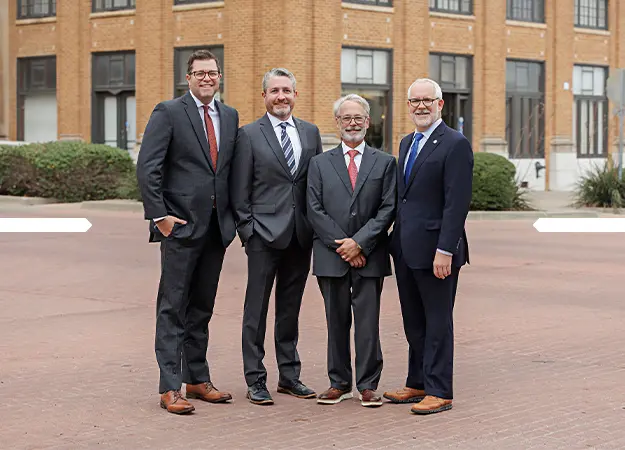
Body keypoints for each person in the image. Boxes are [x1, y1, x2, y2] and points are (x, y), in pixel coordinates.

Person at [136, 49, 239, 415]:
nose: (207, 78)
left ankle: (197, 378)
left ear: (219, 76)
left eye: (212, 73)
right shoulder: (169, 112)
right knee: (173, 307)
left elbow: (226, 171)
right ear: (189, 77)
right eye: (200, 73)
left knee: (202, 309)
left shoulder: (229, 115)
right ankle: (169, 386)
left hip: (215, 229)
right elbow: (148, 167)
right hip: (179, 227)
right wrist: (159, 216)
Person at [230, 68, 323, 405]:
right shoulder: (249, 135)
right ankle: (255, 379)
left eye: (287, 90)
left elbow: (314, 184)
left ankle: (289, 375)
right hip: (263, 236)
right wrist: (248, 231)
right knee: (255, 309)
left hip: (300, 235)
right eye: (274, 91)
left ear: (295, 95)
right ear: (264, 96)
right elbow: (239, 190)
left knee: (289, 309)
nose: (281, 96)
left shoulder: (311, 133)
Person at [384, 78, 473, 415]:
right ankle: (417, 382)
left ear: (441, 104)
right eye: (414, 100)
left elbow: (457, 203)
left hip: (438, 252)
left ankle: (440, 390)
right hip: (406, 249)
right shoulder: (407, 143)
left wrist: (445, 250)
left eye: (427, 100)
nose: (420, 106)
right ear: (408, 106)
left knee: (437, 322)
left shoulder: (455, 143)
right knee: (414, 321)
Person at [307, 94, 396, 407]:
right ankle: (339, 382)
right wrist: (344, 246)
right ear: (337, 123)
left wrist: (360, 242)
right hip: (332, 257)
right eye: (346, 118)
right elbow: (314, 209)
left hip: (370, 256)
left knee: (368, 323)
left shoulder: (385, 163)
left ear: (368, 121)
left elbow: (387, 209)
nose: (353, 123)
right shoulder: (319, 164)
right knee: (336, 321)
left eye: (358, 118)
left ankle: (368, 384)